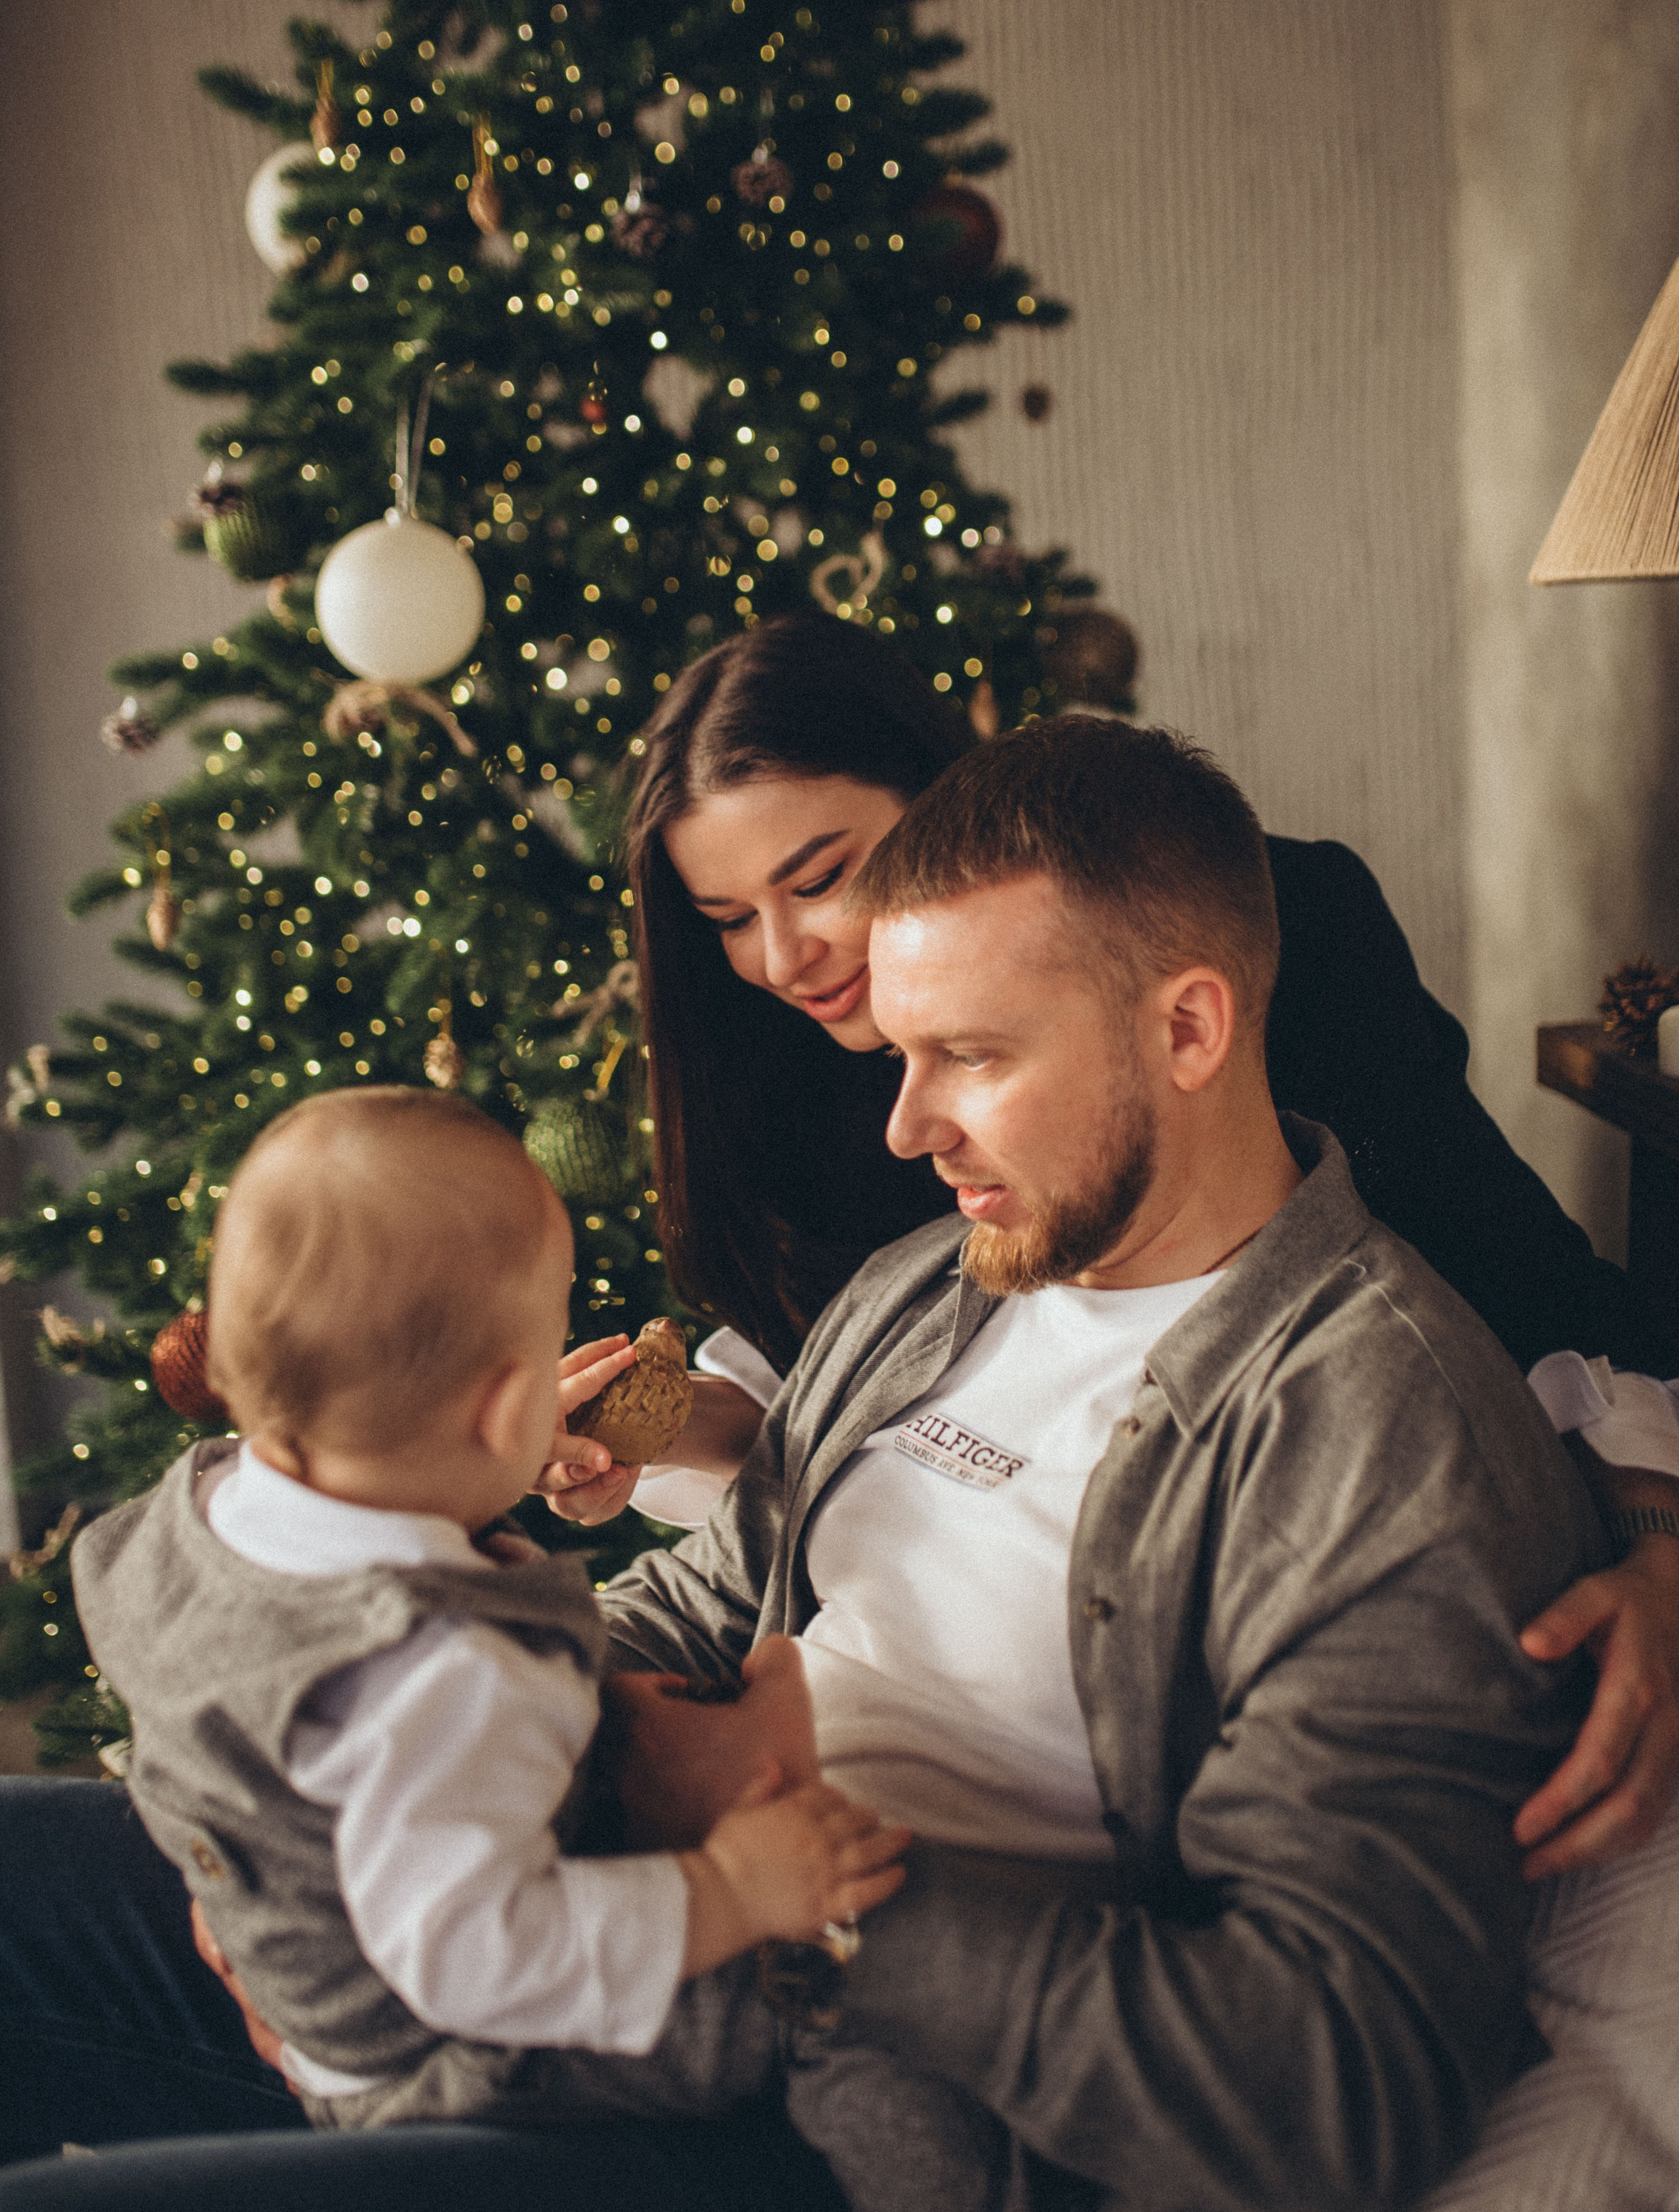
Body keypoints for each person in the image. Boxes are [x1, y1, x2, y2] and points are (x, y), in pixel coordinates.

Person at [596, 712, 1614, 2209]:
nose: (903, 1124)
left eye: (971, 1056)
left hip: (867, 2095)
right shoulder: (926, 1281)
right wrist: (441, 1703)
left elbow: (1334, 2088)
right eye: (899, 1047)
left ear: (1188, 1029)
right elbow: (713, 1593)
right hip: (620, 1926)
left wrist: (793, 1880)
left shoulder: (1372, 1440)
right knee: (167, 1832)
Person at [542, 613, 1679, 1878]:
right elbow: (814, 1444)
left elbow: (1520, 1262)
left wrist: (1656, 1535)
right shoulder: (792, 1068)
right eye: (726, 916)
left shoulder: (1274, 946)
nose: (784, 956)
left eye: (819, 880)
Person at [65, 1084, 1017, 2212]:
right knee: (836, 1997)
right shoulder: (449, 1672)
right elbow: (479, 1963)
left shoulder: (206, 1505)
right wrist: (729, 1888)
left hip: (305, 1948)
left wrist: (468, 1468)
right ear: (507, 1400)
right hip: (443, 2055)